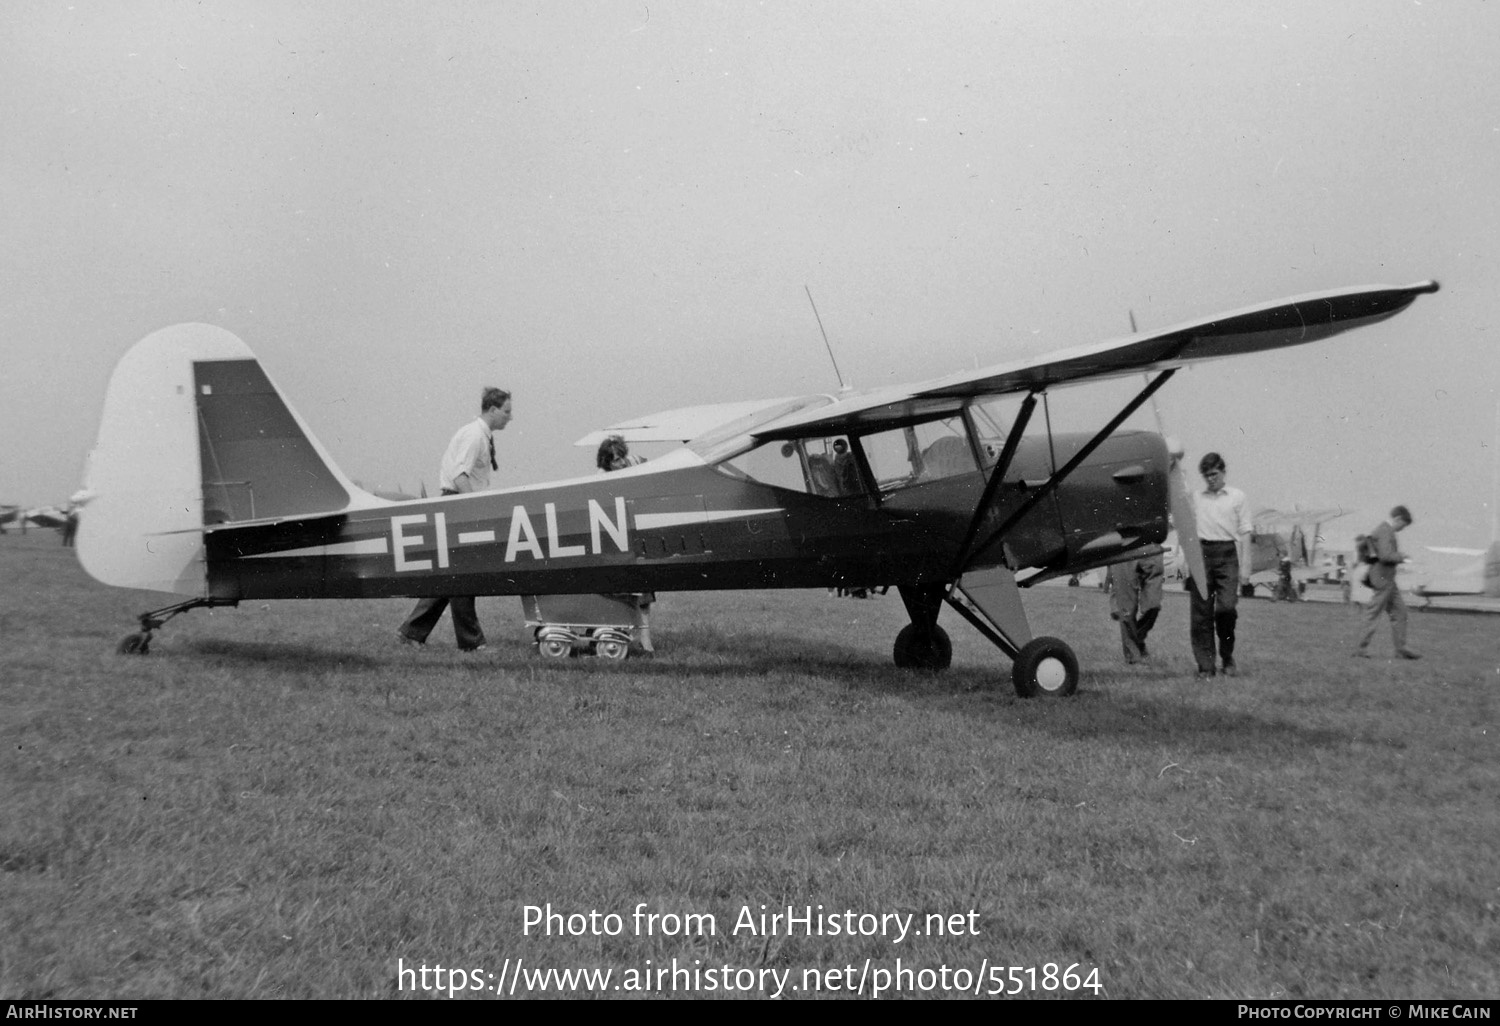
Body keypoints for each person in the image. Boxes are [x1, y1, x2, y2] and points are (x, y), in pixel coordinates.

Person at [397, 387, 513, 650]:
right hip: (459, 502)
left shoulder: (479, 434)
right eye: (507, 411)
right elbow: (461, 475)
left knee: (452, 574)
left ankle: (411, 632)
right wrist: (473, 509)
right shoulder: (475, 436)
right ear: (493, 410)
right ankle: (471, 643)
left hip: (455, 501)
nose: (510, 417)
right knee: (463, 573)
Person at [1188, 452, 1253, 678]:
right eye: (1206, 476)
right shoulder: (1196, 497)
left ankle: (1227, 656)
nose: (1210, 479)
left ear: (1223, 472)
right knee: (1201, 613)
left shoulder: (1237, 497)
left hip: (1227, 555)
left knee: (1226, 609)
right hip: (1202, 554)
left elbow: (1245, 532)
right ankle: (1206, 666)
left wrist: (1246, 568)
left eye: (1214, 474)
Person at [1353, 505, 1420, 659]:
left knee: (1400, 612)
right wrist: (1401, 556)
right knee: (1374, 613)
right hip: (1383, 578)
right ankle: (1360, 649)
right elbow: (1385, 556)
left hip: (1386, 578)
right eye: (1402, 525)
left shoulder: (1384, 530)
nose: (1402, 529)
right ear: (1397, 519)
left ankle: (1401, 650)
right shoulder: (1385, 531)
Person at [1108, 553, 1164, 664]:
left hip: (1150, 548)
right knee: (1126, 610)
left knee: (1153, 605)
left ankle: (1135, 638)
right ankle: (1133, 657)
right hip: (1124, 549)